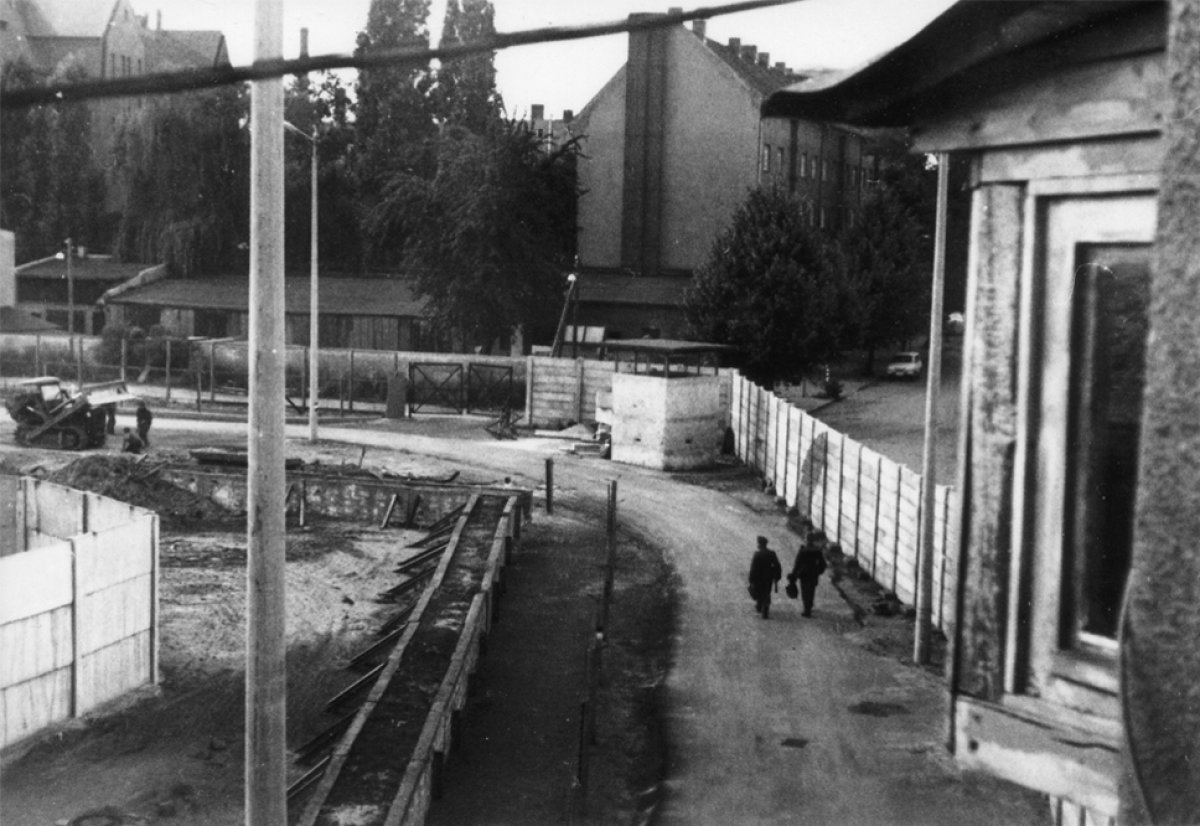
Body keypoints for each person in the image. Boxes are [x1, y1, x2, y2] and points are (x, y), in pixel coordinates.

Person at [789, 529, 829, 617]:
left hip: (804, 574)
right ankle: (809, 606)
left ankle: (806, 609)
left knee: (804, 591)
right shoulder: (817, 551)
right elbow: (823, 564)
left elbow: (797, 563)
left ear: (806, 540)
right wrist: (818, 571)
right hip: (813, 574)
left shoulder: (803, 550)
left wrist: (794, 575)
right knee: (811, 591)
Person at [748, 535, 782, 619]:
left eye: (759, 544)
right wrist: (777, 576)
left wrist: (751, 579)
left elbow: (753, 568)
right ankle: (765, 610)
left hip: (758, 578)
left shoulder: (757, 554)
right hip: (768, 577)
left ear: (760, 544)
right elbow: (777, 565)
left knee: (759, 591)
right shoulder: (771, 553)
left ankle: (760, 606)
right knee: (766, 592)